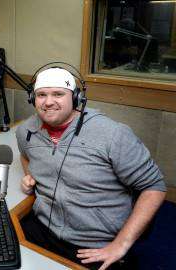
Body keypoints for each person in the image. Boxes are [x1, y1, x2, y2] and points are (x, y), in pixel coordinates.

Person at [15, 67, 166, 269]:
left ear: (76, 97)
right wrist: (31, 177)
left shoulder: (113, 134)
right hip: (43, 227)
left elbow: (154, 187)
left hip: (94, 243)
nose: (48, 102)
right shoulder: (26, 131)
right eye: (41, 95)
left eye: (58, 94)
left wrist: (121, 244)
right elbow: (25, 155)